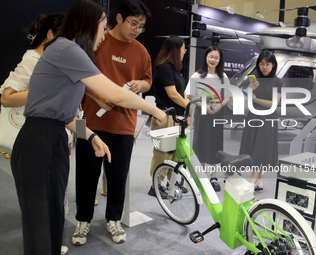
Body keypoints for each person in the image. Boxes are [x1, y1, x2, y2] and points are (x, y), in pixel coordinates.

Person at [10, 0, 166, 254]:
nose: (103, 34)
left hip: (52, 136)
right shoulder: (67, 50)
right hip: (41, 142)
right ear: (89, 25)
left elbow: (61, 113)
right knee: (41, 223)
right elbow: (115, 95)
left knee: (51, 219)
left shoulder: (66, 50)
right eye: (102, 27)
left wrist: (91, 136)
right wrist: (154, 109)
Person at [72, 0, 152, 245]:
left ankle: (114, 221)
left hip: (124, 125)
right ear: (119, 18)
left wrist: (141, 85)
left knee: (118, 178)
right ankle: (82, 222)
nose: (137, 30)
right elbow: (79, 77)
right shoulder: (98, 43)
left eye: (141, 26)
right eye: (133, 23)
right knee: (86, 176)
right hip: (89, 123)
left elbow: (148, 81)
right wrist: (98, 97)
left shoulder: (141, 51)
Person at [0, 13, 69, 255]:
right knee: (40, 205)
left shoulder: (54, 60)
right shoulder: (32, 59)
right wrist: (42, 90)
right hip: (35, 137)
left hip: (56, 136)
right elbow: (6, 97)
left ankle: (49, 242)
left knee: (54, 201)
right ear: (50, 35)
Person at [185, 45, 231, 192]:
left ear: (220, 60)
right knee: (200, 143)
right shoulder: (197, 75)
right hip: (201, 113)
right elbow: (191, 96)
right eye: (211, 56)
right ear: (206, 57)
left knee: (215, 144)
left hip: (217, 113)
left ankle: (213, 177)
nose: (213, 60)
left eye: (216, 58)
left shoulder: (223, 76)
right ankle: (200, 176)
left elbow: (228, 96)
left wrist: (219, 107)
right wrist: (203, 106)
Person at [148, 35, 189, 196]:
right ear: (175, 50)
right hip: (165, 117)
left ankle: (171, 183)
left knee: (175, 153)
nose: (184, 52)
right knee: (163, 153)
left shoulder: (176, 71)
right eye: (182, 49)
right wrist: (190, 106)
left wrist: (188, 111)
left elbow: (182, 93)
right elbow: (172, 94)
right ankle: (155, 185)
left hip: (178, 117)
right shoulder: (163, 68)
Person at [239, 50, 281, 191]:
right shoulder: (254, 79)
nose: (264, 67)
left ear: (273, 65)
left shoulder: (277, 81)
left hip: (267, 118)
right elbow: (248, 101)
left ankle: (251, 184)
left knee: (259, 149)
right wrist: (250, 90)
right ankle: (259, 181)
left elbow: (273, 104)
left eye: (267, 64)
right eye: (262, 64)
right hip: (254, 116)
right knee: (254, 147)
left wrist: (256, 99)